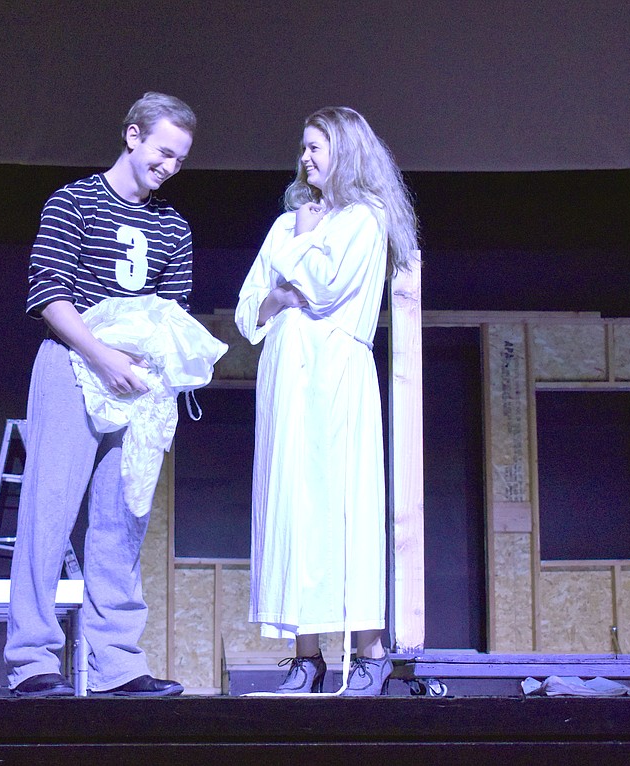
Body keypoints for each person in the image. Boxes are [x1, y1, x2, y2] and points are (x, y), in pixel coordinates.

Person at [5, 92, 196, 697]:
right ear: (133, 135)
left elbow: (175, 313)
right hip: (74, 364)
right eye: (164, 152)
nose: (170, 167)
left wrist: (144, 366)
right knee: (49, 514)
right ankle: (32, 663)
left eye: (181, 159)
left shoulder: (173, 227)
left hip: (138, 382)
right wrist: (101, 355)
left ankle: (117, 664)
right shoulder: (75, 202)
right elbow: (49, 295)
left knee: (122, 520)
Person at [235, 107, 419, 696]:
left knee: (343, 507)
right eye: (304, 147)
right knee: (292, 508)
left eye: (318, 147)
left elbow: (322, 286)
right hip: (286, 375)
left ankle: (369, 651)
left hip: (335, 375)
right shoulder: (289, 222)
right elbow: (249, 308)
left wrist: (298, 258)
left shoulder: (365, 219)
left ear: (346, 151)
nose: (306, 157)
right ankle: (306, 656)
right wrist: (278, 295)